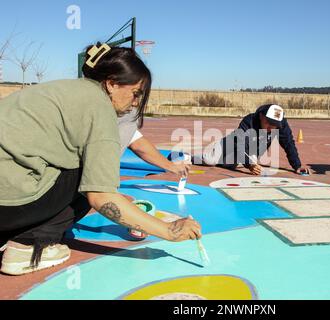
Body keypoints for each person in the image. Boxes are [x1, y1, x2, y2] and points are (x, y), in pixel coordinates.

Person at [0, 43, 201, 276]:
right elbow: (100, 196)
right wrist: (169, 230)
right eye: (135, 93)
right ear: (112, 84)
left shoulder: (63, 89)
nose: (136, 102)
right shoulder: (101, 109)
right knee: (92, 176)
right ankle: (30, 245)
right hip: (7, 202)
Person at [193, 104, 310, 175]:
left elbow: (288, 143)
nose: (271, 128)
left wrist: (297, 166)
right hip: (230, 144)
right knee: (209, 160)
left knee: (232, 165)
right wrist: (249, 165)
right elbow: (239, 145)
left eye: (275, 125)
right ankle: (189, 157)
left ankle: (228, 163)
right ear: (261, 116)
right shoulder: (249, 121)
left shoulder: (281, 124)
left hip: (249, 152)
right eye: (269, 123)